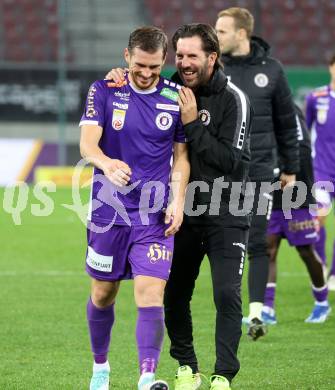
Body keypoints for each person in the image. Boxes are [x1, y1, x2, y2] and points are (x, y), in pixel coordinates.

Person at [105, 22, 252, 390]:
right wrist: (118, 77)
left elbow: (233, 163)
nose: (184, 63)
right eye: (180, 55)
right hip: (178, 211)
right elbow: (136, 88)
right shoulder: (167, 90)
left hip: (226, 211)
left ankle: (223, 374)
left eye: (192, 56)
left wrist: (193, 125)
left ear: (212, 57)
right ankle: (186, 366)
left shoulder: (233, 98)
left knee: (226, 293)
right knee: (174, 292)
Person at [79, 26, 190, 390]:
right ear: (127, 57)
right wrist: (106, 162)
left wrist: (177, 199)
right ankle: (100, 368)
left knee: (150, 291)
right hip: (108, 211)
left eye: (155, 68)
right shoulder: (104, 89)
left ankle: (147, 376)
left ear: (164, 62)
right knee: (103, 293)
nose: (146, 74)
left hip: (153, 215)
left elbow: (181, 157)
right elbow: (88, 145)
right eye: (140, 65)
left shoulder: (176, 97)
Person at [215, 7, 299, 339]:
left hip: (262, 170)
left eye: (222, 31)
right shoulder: (214, 70)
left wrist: (291, 168)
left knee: (257, 243)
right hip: (222, 173)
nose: (216, 36)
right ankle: (229, 306)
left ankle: (255, 314)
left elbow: (286, 123)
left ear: (241, 33)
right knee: (220, 242)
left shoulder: (273, 71)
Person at [263, 105, 331, 324]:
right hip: (270, 193)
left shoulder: (289, 111)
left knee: (305, 251)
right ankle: (267, 309)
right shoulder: (261, 110)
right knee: (268, 249)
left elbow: (301, 150)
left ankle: (321, 302)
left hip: (296, 193)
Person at [305, 53, 335, 291]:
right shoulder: (316, 97)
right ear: (330, 67)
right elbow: (306, 131)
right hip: (322, 169)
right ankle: (321, 265)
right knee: (319, 219)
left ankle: (333, 274)